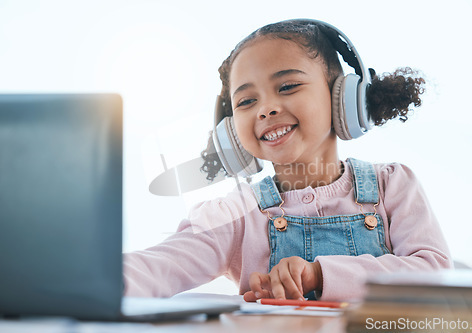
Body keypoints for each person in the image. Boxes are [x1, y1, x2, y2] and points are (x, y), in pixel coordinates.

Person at [123, 19, 452, 302]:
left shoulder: (391, 185)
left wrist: (319, 275)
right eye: (247, 100)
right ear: (230, 133)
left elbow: (433, 273)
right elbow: (157, 268)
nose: (265, 109)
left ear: (343, 97)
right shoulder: (234, 215)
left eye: (288, 86)